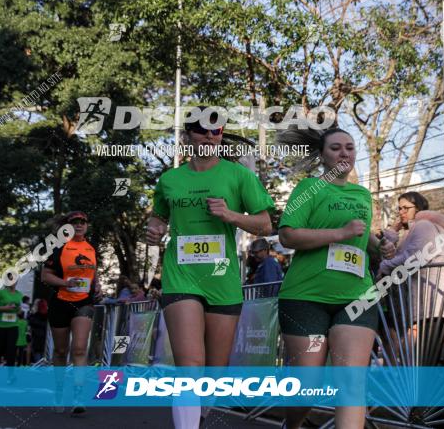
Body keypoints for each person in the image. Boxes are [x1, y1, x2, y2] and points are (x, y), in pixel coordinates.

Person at [147, 109, 275, 429]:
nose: (209, 135)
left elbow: (265, 224)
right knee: (190, 364)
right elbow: (158, 218)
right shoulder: (170, 180)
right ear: (188, 134)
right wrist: (153, 229)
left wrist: (232, 216)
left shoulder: (238, 176)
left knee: (215, 371)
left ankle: (201, 413)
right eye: (201, 129)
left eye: (215, 130)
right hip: (181, 276)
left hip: (221, 277)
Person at [276, 127, 377, 429]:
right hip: (306, 296)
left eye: (349, 147)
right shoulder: (309, 188)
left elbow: (361, 236)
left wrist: (380, 243)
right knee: (308, 384)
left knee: (351, 383)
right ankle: (291, 424)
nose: (344, 153)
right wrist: (340, 233)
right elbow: (287, 235)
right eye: (335, 148)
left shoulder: (362, 194)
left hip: (357, 294)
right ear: (321, 155)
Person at [378, 200, 444, 366]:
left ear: (418, 209)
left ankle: (425, 391)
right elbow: (395, 254)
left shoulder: (423, 225)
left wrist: (384, 267)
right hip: (422, 306)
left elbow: (414, 257)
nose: (401, 212)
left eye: (406, 207)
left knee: (421, 359)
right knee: (421, 359)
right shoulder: (415, 230)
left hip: (429, 304)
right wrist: (393, 231)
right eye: (399, 208)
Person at [42, 211, 101, 416]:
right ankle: (58, 390)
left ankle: (78, 395)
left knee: (78, 348)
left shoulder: (92, 248)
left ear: (87, 225)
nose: (79, 225)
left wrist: (97, 286)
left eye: (83, 222)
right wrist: (65, 283)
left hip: (84, 302)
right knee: (60, 351)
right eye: (74, 222)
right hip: (60, 302)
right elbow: (46, 275)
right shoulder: (57, 247)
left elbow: (93, 273)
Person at [0, 282, 24, 376]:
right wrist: (5, 308)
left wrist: (19, 310)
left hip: (13, 325)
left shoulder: (19, 294)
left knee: (11, 349)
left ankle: (10, 375)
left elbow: (19, 309)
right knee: (3, 348)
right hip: (0, 325)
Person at [28, 299, 48, 364]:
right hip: (44, 337)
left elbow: (30, 321)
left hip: (36, 336)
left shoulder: (34, 315)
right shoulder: (47, 316)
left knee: (37, 352)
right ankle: (41, 365)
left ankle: (38, 365)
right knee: (42, 352)